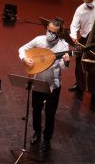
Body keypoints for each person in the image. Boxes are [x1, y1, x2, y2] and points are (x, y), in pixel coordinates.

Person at [18, 17, 70, 152]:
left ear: (58, 33)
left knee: (50, 113)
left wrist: (66, 61)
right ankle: (36, 132)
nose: (50, 34)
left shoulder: (63, 46)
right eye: (49, 30)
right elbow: (22, 48)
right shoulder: (39, 40)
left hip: (53, 85)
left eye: (53, 33)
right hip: (38, 81)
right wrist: (25, 59)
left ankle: (47, 139)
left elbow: (63, 67)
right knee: (36, 109)